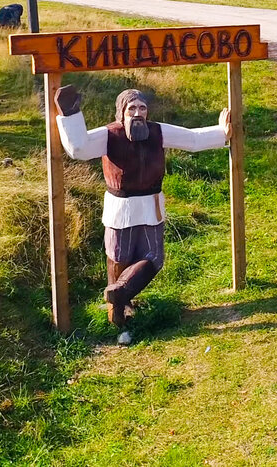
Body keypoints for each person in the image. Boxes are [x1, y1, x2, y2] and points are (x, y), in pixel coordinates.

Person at [54, 86, 230, 345]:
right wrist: (70, 112)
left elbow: (191, 140)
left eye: (142, 108)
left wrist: (221, 133)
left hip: (151, 205)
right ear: (121, 113)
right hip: (119, 208)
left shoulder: (157, 131)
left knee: (153, 257)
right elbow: (79, 148)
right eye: (131, 109)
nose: (137, 113)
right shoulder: (109, 134)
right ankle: (119, 311)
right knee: (119, 257)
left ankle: (119, 293)